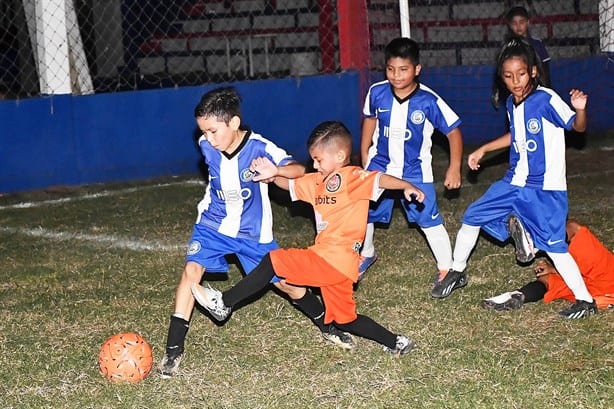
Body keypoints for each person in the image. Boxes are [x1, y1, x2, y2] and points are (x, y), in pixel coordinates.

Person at [159, 88, 353, 378]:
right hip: (213, 225)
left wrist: (275, 171)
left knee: (287, 284)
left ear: (234, 123)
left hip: (252, 233)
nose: (207, 139)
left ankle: (327, 325)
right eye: (204, 132)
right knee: (191, 272)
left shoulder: (260, 148)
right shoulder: (206, 144)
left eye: (213, 131)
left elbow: (298, 169)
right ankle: (173, 351)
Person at [192, 121, 426, 355]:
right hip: (338, 268)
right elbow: (290, 185)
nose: (314, 164)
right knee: (345, 320)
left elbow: (381, 179)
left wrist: (405, 186)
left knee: (275, 260)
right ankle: (396, 341)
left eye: (319, 159)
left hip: (333, 259)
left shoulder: (352, 176)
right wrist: (274, 174)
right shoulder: (317, 182)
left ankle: (225, 302)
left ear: (340, 155)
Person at [432, 36, 597, 319]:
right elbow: (516, 135)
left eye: (521, 74)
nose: (516, 81)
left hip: (544, 189)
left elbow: (577, 127)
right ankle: (458, 270)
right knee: (472, 216)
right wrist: (484, 148)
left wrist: (580, 109)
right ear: (502, 78)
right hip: (514, 182)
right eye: (508, 76)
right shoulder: (511, 103)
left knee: (556, 248)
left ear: (533, 70)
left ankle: (585, 300)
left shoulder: (545, 98)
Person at [358, 37, 463, 285]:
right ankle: (366, 253)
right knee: (363, 211)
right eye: (391, 69)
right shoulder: (376, 92)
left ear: (417, 69)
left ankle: (448, 270)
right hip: (380, 165)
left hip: (415, 171)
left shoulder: (428, 100)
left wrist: (454, 167)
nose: (396, 75)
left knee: (428, 219)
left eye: (403, 70)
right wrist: (364, 152)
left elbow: (454, 132)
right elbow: (370, 120)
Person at [483, 219, 614, 311]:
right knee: (548, 280)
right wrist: (553, 269)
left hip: (608, 278)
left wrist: (554, 268)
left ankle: (534, 244)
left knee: (574, 228)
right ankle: (517, 296)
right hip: (600, 295)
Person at [505, 5, 550, 87]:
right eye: (514, 23)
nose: (518, 26)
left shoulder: (537, 44)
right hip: (516, 87)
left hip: (536, 87)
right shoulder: (507, 46)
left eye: (521, 22)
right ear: (510, 25)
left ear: (528, 22)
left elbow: (545, 71)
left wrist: (546, 88)